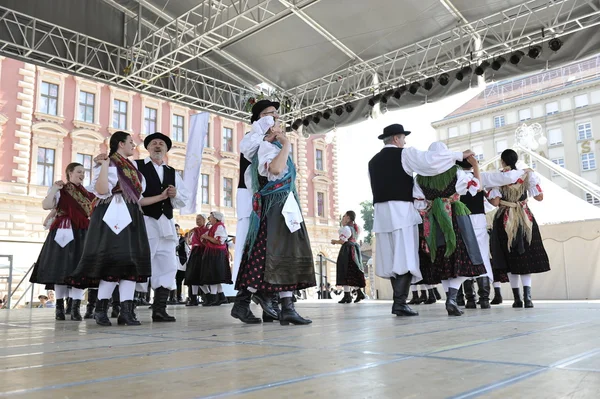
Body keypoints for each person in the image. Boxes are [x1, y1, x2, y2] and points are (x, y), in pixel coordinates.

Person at [368, 124, 475, 317]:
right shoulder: (404, 154)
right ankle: (399, 303)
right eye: (403, 138)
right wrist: (460, 155)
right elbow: (430, 161)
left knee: (392, 259)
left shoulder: (372, 162)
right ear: (395, 139)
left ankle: (399, 302)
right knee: (405, 257)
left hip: (381, 215)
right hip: (401, 212)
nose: (405, 141)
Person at [68, 131, 160, 326]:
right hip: (113, 213)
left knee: (130, 263)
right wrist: (102, 166)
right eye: (130, 143)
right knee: (112, 261)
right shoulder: (108, 163)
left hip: (132, 212)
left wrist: (162, 197)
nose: (133, 146)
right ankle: (101, 309)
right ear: (120, 144)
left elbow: (139, 197)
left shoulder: (133, 166)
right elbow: (101, 191)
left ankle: (126, 311)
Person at [232, 119, 316, 325]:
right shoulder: (267, 147)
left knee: (284, 254)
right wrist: (287, 144)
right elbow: (276, 170)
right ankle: (244, 303)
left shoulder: (273, 146)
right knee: (267, 254)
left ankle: (287, 307)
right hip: (275, 208)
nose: (282, 126)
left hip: (285, 206)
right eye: (278, 124)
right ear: (270, 130)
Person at [414, 142, 486, 316]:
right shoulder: (458, 173)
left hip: (434, 219)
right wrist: (475, 166)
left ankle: (451, 298)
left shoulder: (419, 178)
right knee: (466, 257)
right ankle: (452, 299)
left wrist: (433, 205)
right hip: (455, 216)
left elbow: (418, 203)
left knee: (442, 258)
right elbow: (477, 188)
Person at [230, 100, 282, 324]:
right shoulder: (252, 137)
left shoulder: (275, 140)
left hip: (270, 199)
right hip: (253, 198)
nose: (274, 117)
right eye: (269, 114)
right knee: (252, 247)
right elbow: (252, 152)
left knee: (269, 248)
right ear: (259, 118)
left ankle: (267, 302)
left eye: (276, 114)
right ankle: (245, 301)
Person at [133, 132, 190, 322]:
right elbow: (133, 194)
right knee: (141, 261)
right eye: (154, 143)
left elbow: (184, 199)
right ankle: (127, 306)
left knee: (167, 264)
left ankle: (159, 308)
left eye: (162, 144)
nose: (158, 146)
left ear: (166, 150)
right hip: (145, 220)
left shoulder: (173, 172)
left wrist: (174, 194)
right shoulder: (138, 166)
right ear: (148, 148)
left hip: (166, 222)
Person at [455, 158, 526, 309]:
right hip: (478, 219)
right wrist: (523, 171)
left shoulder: (455, 177)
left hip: (460, 219)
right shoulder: (483, 176)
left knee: (466, 258)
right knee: (482, 257)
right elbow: (504, 178)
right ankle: (485, 298)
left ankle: (470, 299)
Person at [30, 162, 95, 321]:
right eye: (79, 171)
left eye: (84, 172)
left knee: (79, 269)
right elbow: (46, 205)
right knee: (60, 268)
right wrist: (53, 189)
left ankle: (75, 308)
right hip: (63, 232)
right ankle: (59, 308)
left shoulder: (87, 194)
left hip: (81, 232)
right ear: (70, 173)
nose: (82, 174)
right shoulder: (61, 190)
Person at [488, 149, 550, 308]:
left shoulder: (498, 177)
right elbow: (539, 197)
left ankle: (517, 299)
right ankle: (528, 298)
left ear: (502, 161)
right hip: (524, 217)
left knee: (508, 257)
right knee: (526, 256)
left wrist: (486, 192)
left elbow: (495, 203)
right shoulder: (527, 174)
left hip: (504, 218)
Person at [331, 211, 366, 304]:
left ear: (348, 218)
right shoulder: (356, 227)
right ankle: (353, 294)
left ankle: (349, 295)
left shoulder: (346, 228)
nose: (343, 218)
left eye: (344, 216)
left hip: (347, 250)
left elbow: (342, 241)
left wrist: (334, 241)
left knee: (345, 270)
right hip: (354, 249)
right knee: (351, 271)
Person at [198, 211, 232, 306]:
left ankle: (213, 298)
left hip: (216, 253)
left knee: (213, 275)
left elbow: (219, 241)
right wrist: (205, 239)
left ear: (216, 218)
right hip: (213, 252)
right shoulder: (214, 227)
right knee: (214, 275)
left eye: (211, 217)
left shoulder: (219, 227)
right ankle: (221, 297)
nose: (209, 219)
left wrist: (206, 237)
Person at [185, 214, 209, 306]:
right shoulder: (194, 231)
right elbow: (190, 242)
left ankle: (208, 296)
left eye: (199, 219)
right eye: (196, 219)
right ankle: (194, 298)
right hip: (194, 253)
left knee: (199, 276)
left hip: (201, 252)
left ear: (204, 220)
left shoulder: (206, 231)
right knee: (193, 276)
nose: (197, 221)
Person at [171, 224, 188, 304]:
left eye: (177, 229)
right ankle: (171, 297)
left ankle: (178, 296)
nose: (176, 230)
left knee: (179, 280)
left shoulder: (183, 240)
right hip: (172, 260)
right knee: (171, 280)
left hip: (181, 262)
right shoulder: (170, 239)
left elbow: (187, 250)